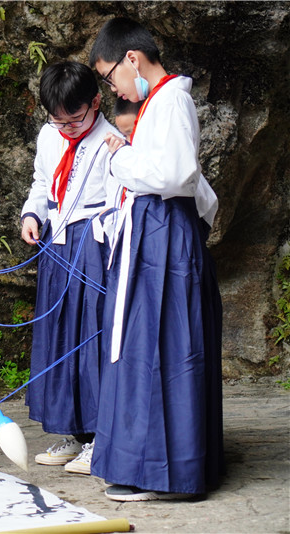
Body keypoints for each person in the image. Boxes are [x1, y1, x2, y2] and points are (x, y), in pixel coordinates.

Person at [89, 16, 224, 502]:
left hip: (165, 235)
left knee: (166, 346)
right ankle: (143, 463)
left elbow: (175, 174)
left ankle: (163, 471)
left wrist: (119, 158)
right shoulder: (156, 104)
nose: (114, 88)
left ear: (132, 59)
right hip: (153, 233)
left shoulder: (172, 100)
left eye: (110, 77)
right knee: (147, 344)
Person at [19, 62, 119, 475]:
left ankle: (101, 437)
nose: (67, 129)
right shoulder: (49, 135)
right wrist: (31, 214)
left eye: (74, 120)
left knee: (91, 337)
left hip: (93, 242)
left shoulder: (112, 139)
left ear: (95, 102)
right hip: (56, 240)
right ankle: (72, 432)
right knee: (59, 336)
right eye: (57, 121)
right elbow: (43, 183)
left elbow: (118, 198)